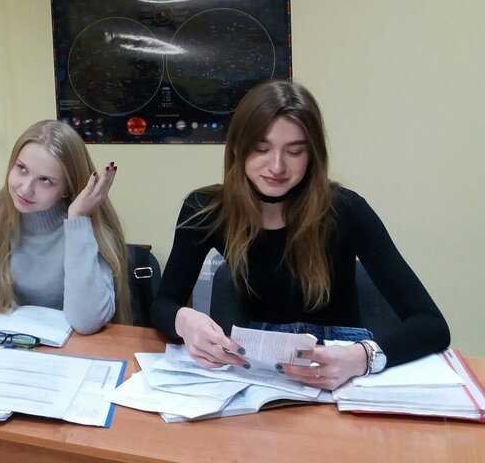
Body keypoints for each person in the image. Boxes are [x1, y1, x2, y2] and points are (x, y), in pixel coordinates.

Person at [151, 80, 449, 390]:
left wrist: (362, 357)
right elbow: (163, 304)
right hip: (259, 374)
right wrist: (184, 320)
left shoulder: (346, 210)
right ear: (237, 148)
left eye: (294, 151)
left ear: (312, 155)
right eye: (261, 149)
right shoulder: (205, 210)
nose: (277, 166)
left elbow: (431, 325)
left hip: (339, 372)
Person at [0, 119, 130, 335]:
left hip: (73, 349)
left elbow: (86, 322)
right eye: (21, 169)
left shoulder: (88, 230)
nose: (26, 189)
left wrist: (77, 220)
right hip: (6, 346)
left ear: (67, 189)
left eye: (45, 180)